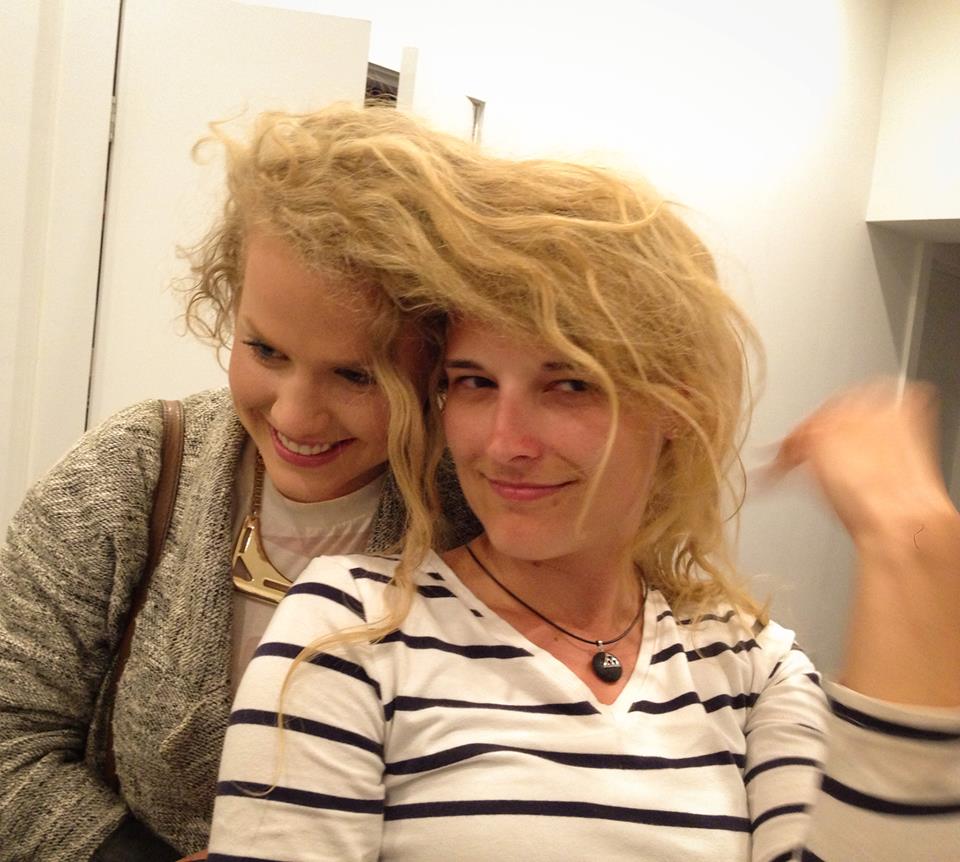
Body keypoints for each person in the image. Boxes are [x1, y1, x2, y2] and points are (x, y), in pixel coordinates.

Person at [204, 111, 960, 861]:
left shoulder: (747, 665)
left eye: (569, 385)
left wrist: (910, 546)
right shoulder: (349, 631)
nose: (504, 444)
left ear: (676, 408)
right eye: (474, 382)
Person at [0, 106, 480, 862]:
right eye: (265, 351)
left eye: (356, 375)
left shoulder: (476, 514)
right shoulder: (127, 477)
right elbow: (12, 736)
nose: (294, 415)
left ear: (440, 361)